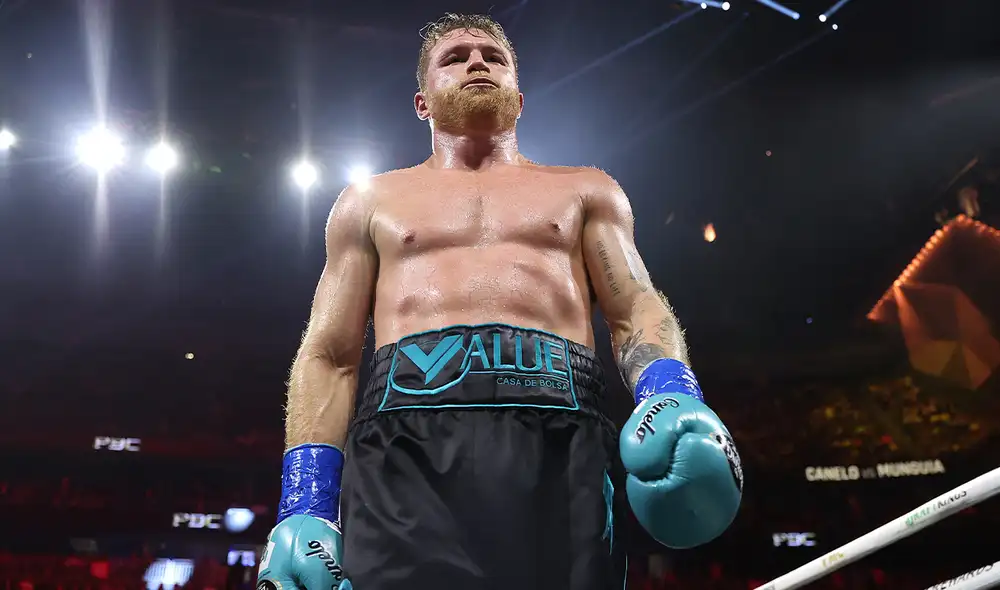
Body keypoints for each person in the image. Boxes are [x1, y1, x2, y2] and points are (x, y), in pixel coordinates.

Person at [256, 13, 742, 590]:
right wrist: (305, 499)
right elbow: (329, 354)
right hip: (404, 449)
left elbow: (635, 306)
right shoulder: (368, 201)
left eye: (493, 56)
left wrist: (671, 390)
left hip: (563, 442)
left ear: (520, 96)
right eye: (455, 57)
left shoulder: (585, 188)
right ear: (422, 102)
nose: (477, 62)